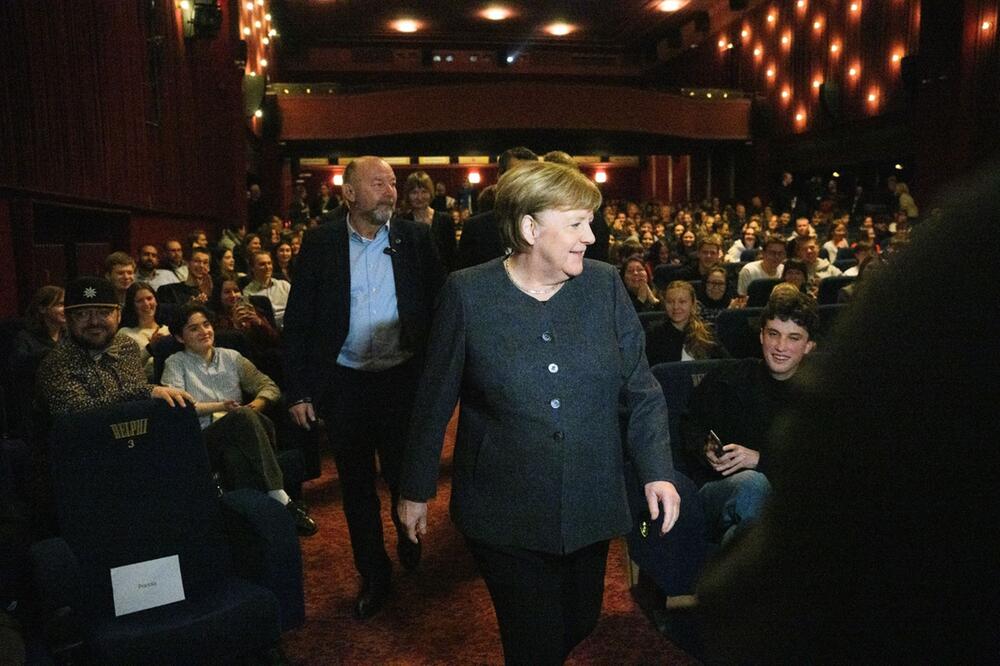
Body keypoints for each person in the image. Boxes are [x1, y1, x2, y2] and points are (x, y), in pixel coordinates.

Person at [397, 161, 680, 665]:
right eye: (575, 224)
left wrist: (656, 470)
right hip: (503, 509)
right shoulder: (467, 293)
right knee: (535, 644)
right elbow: (434, 400)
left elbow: (641, 388)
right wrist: (416, 490)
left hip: (591, 499)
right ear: (530, 228)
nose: (590, 237)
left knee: (581, 620)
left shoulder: (605, 286)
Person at [282, 156, 446, 620]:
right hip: (345, 382)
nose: (390, 191)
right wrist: (298, 390)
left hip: (401, 379)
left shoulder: (415, 239)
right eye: (378, 183)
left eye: (392, 183)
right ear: (349, 194)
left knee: (400, 474)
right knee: (355, 487)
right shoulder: (320, 243)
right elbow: (298, 324)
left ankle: (407, 533)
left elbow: (440, 308)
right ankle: (375, 575)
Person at [160, 303, 316, 536]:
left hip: (244, 431)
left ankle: (258, 527)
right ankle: (281, 499)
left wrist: (256, 405)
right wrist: (221, 406)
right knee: (241, 417)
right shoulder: (175, 363)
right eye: (193, 329)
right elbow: (179, 406)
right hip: (205, 438)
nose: (204, 331)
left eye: (206, 324)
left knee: (237, 451)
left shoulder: (231, 357)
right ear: (179, 337)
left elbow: (268, 386)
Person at [680, 286, 818, 545]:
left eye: (793, 338)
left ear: (809, 346)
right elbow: (691, 425)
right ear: (761, 336)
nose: (780, 346)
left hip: (784, 506)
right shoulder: (728, 377)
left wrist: (760, 460)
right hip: (722, 493)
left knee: (744, 534)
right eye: (773, 334)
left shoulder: (821, 396)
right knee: (752, 485)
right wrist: (706, 448)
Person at [36, 277, 193, 417]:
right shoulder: (56, 363)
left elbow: (139, 406)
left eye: (104, 313)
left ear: (118, 315)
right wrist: (145, 392)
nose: (94, 322)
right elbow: (78, 413)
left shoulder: (126, 346)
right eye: (82, 314)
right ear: (68, 320)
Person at [456, 146, 538, 268]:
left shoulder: (549, 224)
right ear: (500, 176)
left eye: (529, 175)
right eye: (515, 175)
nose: (522, 182)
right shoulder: (476, 228)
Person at [645, 280, 729, 366]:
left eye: (682, 302)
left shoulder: (707, 332)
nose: (676, 307)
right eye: (670, 302)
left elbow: (726, 364)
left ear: (692, 304)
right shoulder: (654, 333)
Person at [401, 170, 457, 272]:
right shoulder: (402, 222)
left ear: (431, 193)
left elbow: (452, 257)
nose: (419, 197)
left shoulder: (445, 220)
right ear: (407, 195)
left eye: (424, 192)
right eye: (414, 192)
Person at [118, 281, 170, 380]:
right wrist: (149, 349)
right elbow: (124, 370)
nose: (146, 304)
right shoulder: (125, 333)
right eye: (139, 301)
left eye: (149, 298)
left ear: (156, 301)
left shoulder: (168, 330)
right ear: (132, 305)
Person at [243, 250, 291, 330]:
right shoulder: (248, 293)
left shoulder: (284, 285)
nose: (267, 267)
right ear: (252, 268)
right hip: (269, 331)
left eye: (269, 263)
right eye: (262, 264)